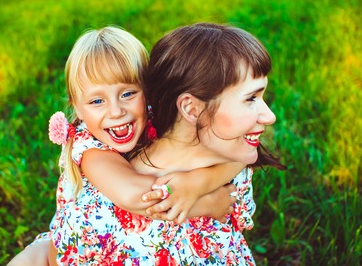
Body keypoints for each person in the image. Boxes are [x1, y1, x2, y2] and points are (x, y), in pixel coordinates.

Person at [45, 22, 285, 265]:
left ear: (148, 91)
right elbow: (134, 196)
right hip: (75, 249)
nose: (116, 111)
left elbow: (239, 154)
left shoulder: (158, 120)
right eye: (97, 101)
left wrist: (197, 182)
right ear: (77, 107)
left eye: (128, 94)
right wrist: (207, 203)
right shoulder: (90, 147)